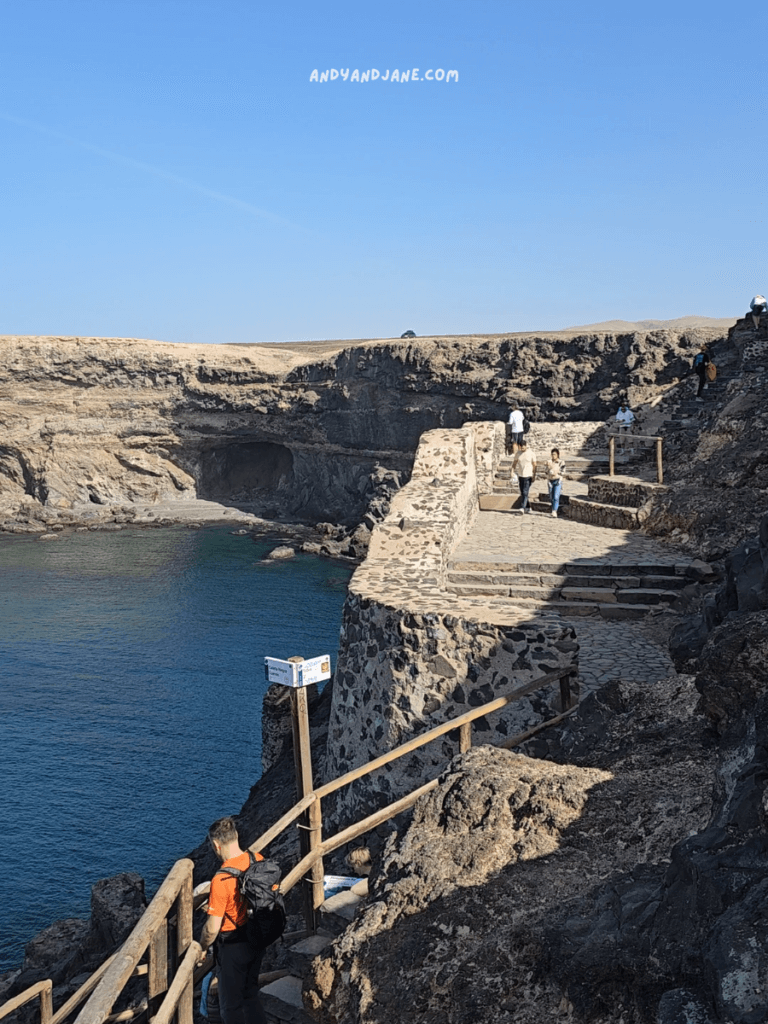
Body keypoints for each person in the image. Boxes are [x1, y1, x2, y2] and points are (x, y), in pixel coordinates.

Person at [198, 817, 268, 1024]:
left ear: (216, 845)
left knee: (230, 1005)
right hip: (258, 936)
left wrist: (201, 947)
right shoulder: (258, 860)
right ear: (236, 836)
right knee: (250, 994)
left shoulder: (221, 879)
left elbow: (212, 928)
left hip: (233, 945)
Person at [512, 439, 537, 513]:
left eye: (524, 448)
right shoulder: (518, 454)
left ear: (526, 446)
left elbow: (535, 465)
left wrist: (534, 475)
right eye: (521, 448)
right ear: (520, 446)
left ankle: (522, 508)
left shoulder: (531, 453)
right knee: (523, 492)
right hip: (521, 475)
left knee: (525, 491)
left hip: (528, 475)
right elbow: (514, 463)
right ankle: (528, 507)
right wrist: (512, 471)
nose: (522, 449)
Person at [544, 448, 565, 518]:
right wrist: (548, 468)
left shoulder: (561, 462)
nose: (553, 456)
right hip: (550, 480)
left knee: (556, 496)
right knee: (551, 496)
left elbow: (563, 472)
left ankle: (554, 511)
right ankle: (553, 508)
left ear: (558, 455)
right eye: (552, 454)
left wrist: (557, 473)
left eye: (555, 454)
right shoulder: (549, 462)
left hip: (557, 480)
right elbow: (545, 472)